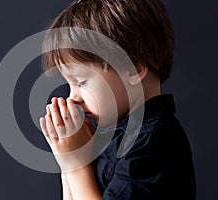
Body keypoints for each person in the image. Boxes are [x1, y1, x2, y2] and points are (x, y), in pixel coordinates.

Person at [39, 0, 196, 199]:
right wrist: (68, 162)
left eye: (80, 82)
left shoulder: (152, 142)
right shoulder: (110, 134)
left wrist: (77, 166)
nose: (72, 98)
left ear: (133, 68)